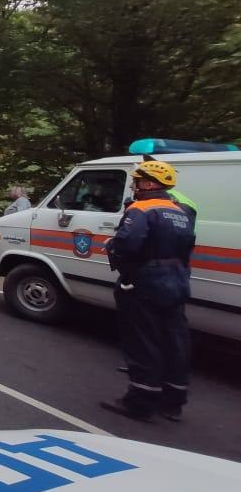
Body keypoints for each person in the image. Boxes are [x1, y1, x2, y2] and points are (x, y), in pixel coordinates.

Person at [103, 159, 195, 422]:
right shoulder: (180, 211)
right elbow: (187, 246)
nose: (134, 185)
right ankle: (173, 401)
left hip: (146, 281)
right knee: (175, 341)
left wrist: (112, 246)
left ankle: (141, 402)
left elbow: (128, 244)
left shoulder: (141, 209)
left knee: (143, 340)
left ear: (150, 183)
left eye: (138, 180)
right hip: (177, 280)